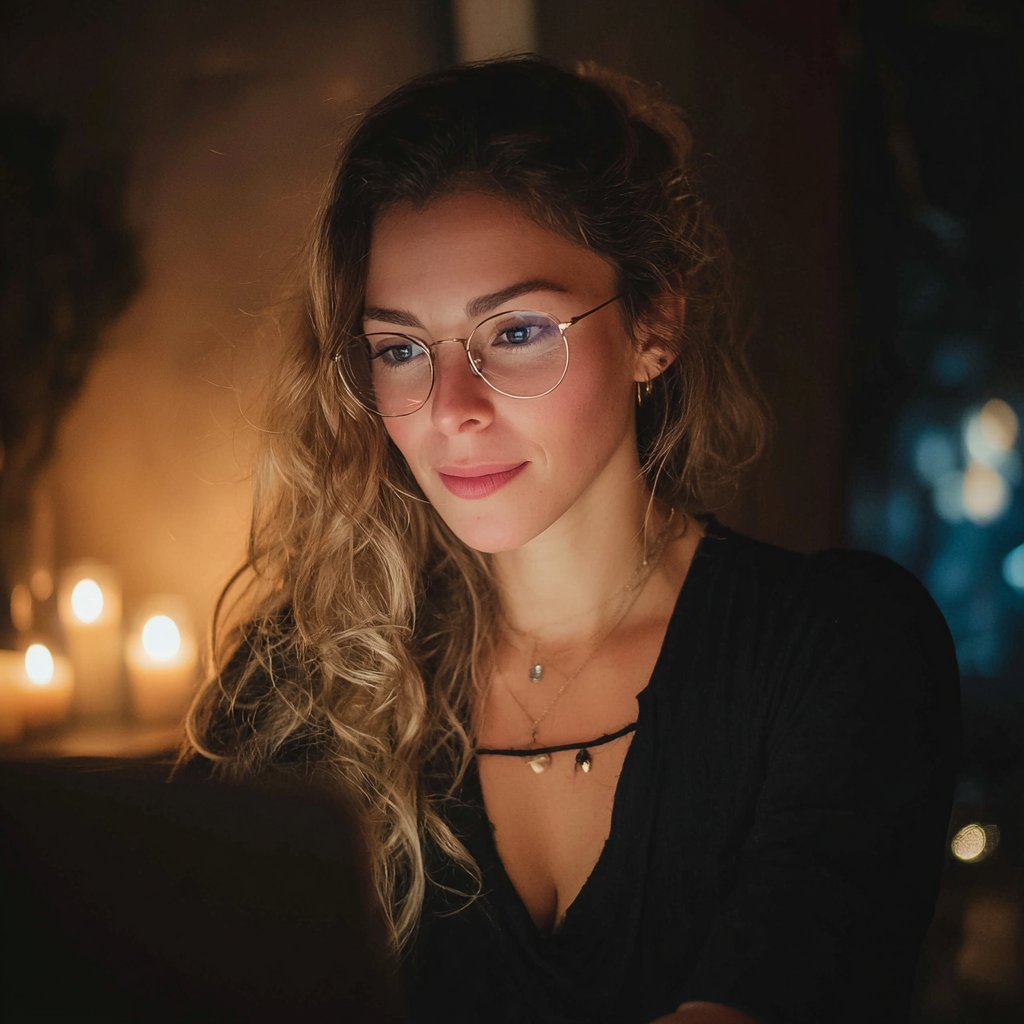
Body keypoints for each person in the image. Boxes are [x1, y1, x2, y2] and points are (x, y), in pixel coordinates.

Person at [179, 56, 960, 1023]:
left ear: (653, 323)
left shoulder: (841, 651)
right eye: (400, 349)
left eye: (515, 332)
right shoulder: (302, 686)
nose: (450, 408)